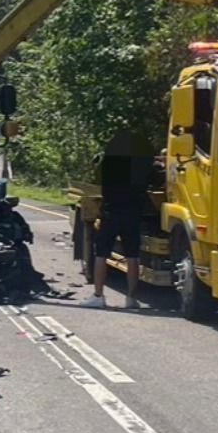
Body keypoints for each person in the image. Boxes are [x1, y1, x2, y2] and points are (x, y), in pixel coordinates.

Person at [81, 130, 154, 310]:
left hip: (110, 213)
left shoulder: (107, 163)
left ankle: (98, 295)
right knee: (132, 256)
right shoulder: (143, 165)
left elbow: (96, 182)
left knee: (101, 254)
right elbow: (156, 180)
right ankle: (131, 298)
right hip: (132, 214)